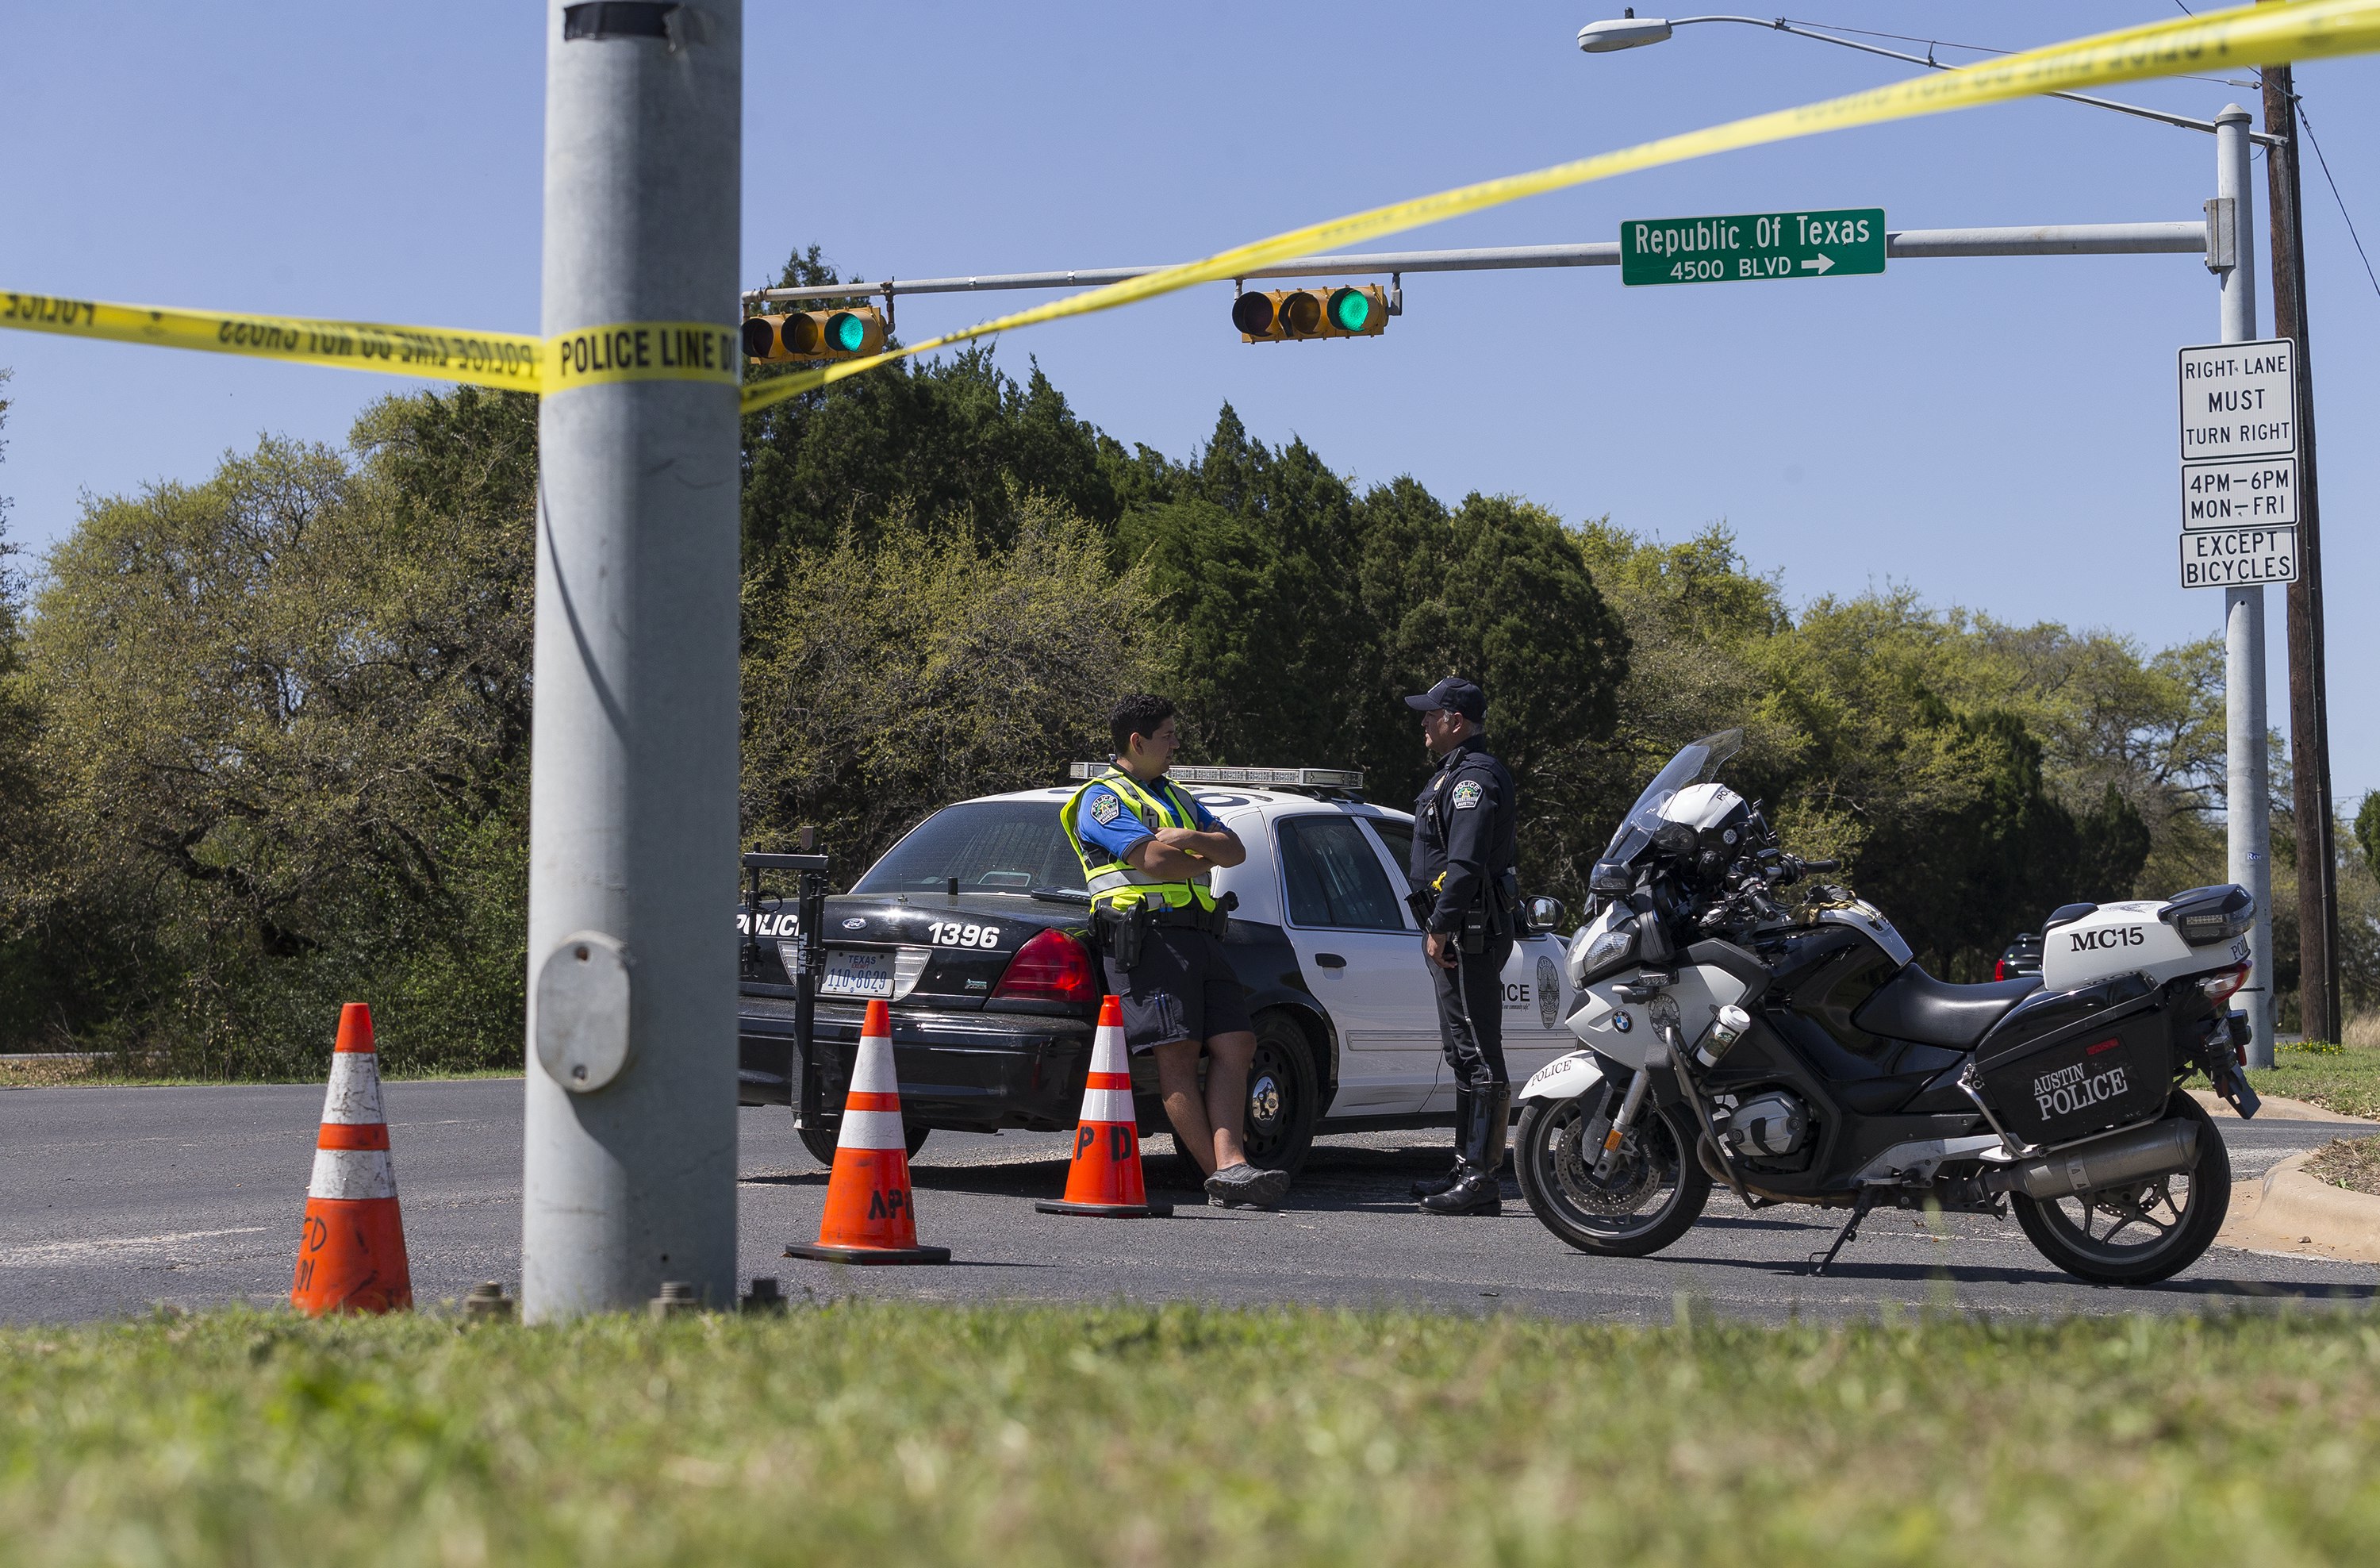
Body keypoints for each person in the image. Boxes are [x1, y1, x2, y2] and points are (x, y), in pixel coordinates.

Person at [1059, 694, 1291, 1209]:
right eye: (1167, 735)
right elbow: (1155, 861)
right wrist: (1198, 852)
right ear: (1136, 742)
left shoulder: (1179, 798)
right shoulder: (1102, 800)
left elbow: (1234, 850)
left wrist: (1190, 837)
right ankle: (1225, 1173)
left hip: (1201, 937)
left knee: (1237, 1045)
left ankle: (1232, 1166)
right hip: (1150, 939)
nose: (1176, 744)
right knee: (1179, 1055)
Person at [1403, 676, 1521, 1216]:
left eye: (1431, 715)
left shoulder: (1473, 778)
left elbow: (1467, 863)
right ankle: (1464, 1165)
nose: (1423, 723)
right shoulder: (1452, 774)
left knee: (1477, 1051)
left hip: (1469, 932)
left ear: (1456, 721)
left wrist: (1442, 926)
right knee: (1461, 1051)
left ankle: (1482, 1179)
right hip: (1458, 930)